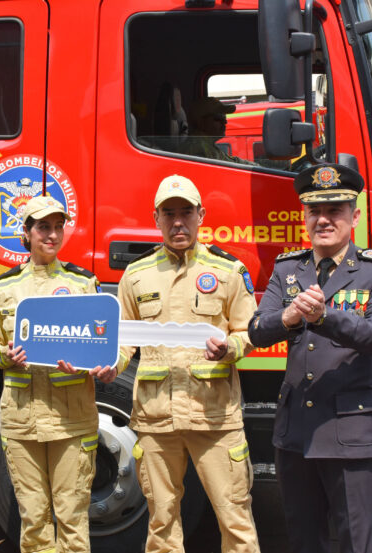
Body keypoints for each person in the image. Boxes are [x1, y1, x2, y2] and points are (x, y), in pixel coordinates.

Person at [248, 164, 372, 553]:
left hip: (352, 432)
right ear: (304, 216)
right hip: (295, 431)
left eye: (335, 210)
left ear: (355, 215)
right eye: (315, 211)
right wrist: (289, 316)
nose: (324, 220)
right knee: (302, 539)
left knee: (357, 541)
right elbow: (256, 330)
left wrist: (324, 316)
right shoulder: (288, 268)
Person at [116, 175, 260, 553]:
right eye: (169, 214)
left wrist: (229, 348)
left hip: (214, 415)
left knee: (235, 517)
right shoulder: (135, 275)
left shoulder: (228, 271)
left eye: (185, 213)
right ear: (156, 219)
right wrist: (107, 366)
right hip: (155, 418)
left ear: (201, 216)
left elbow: (250, 333)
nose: (178, 222)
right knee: (161, 521)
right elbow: (123, 341)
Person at [0, 195, 116, 553]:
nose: (52, 235)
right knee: (34, 520)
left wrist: (92, 364)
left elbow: (101, 346)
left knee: (72, 518)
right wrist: (4, 355)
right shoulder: (5, 287)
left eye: (58, 227)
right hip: (22, 420)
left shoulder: (82, 284)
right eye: (43, 227)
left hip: (72, 420)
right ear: (26, 233)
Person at [182, 97, 253, 165]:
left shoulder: (208, 146)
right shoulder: (198, 149)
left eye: (224, 117)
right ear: (201, 122)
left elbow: (232, 162)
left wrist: (256, 167)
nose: (225, 122)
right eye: (218, 118)